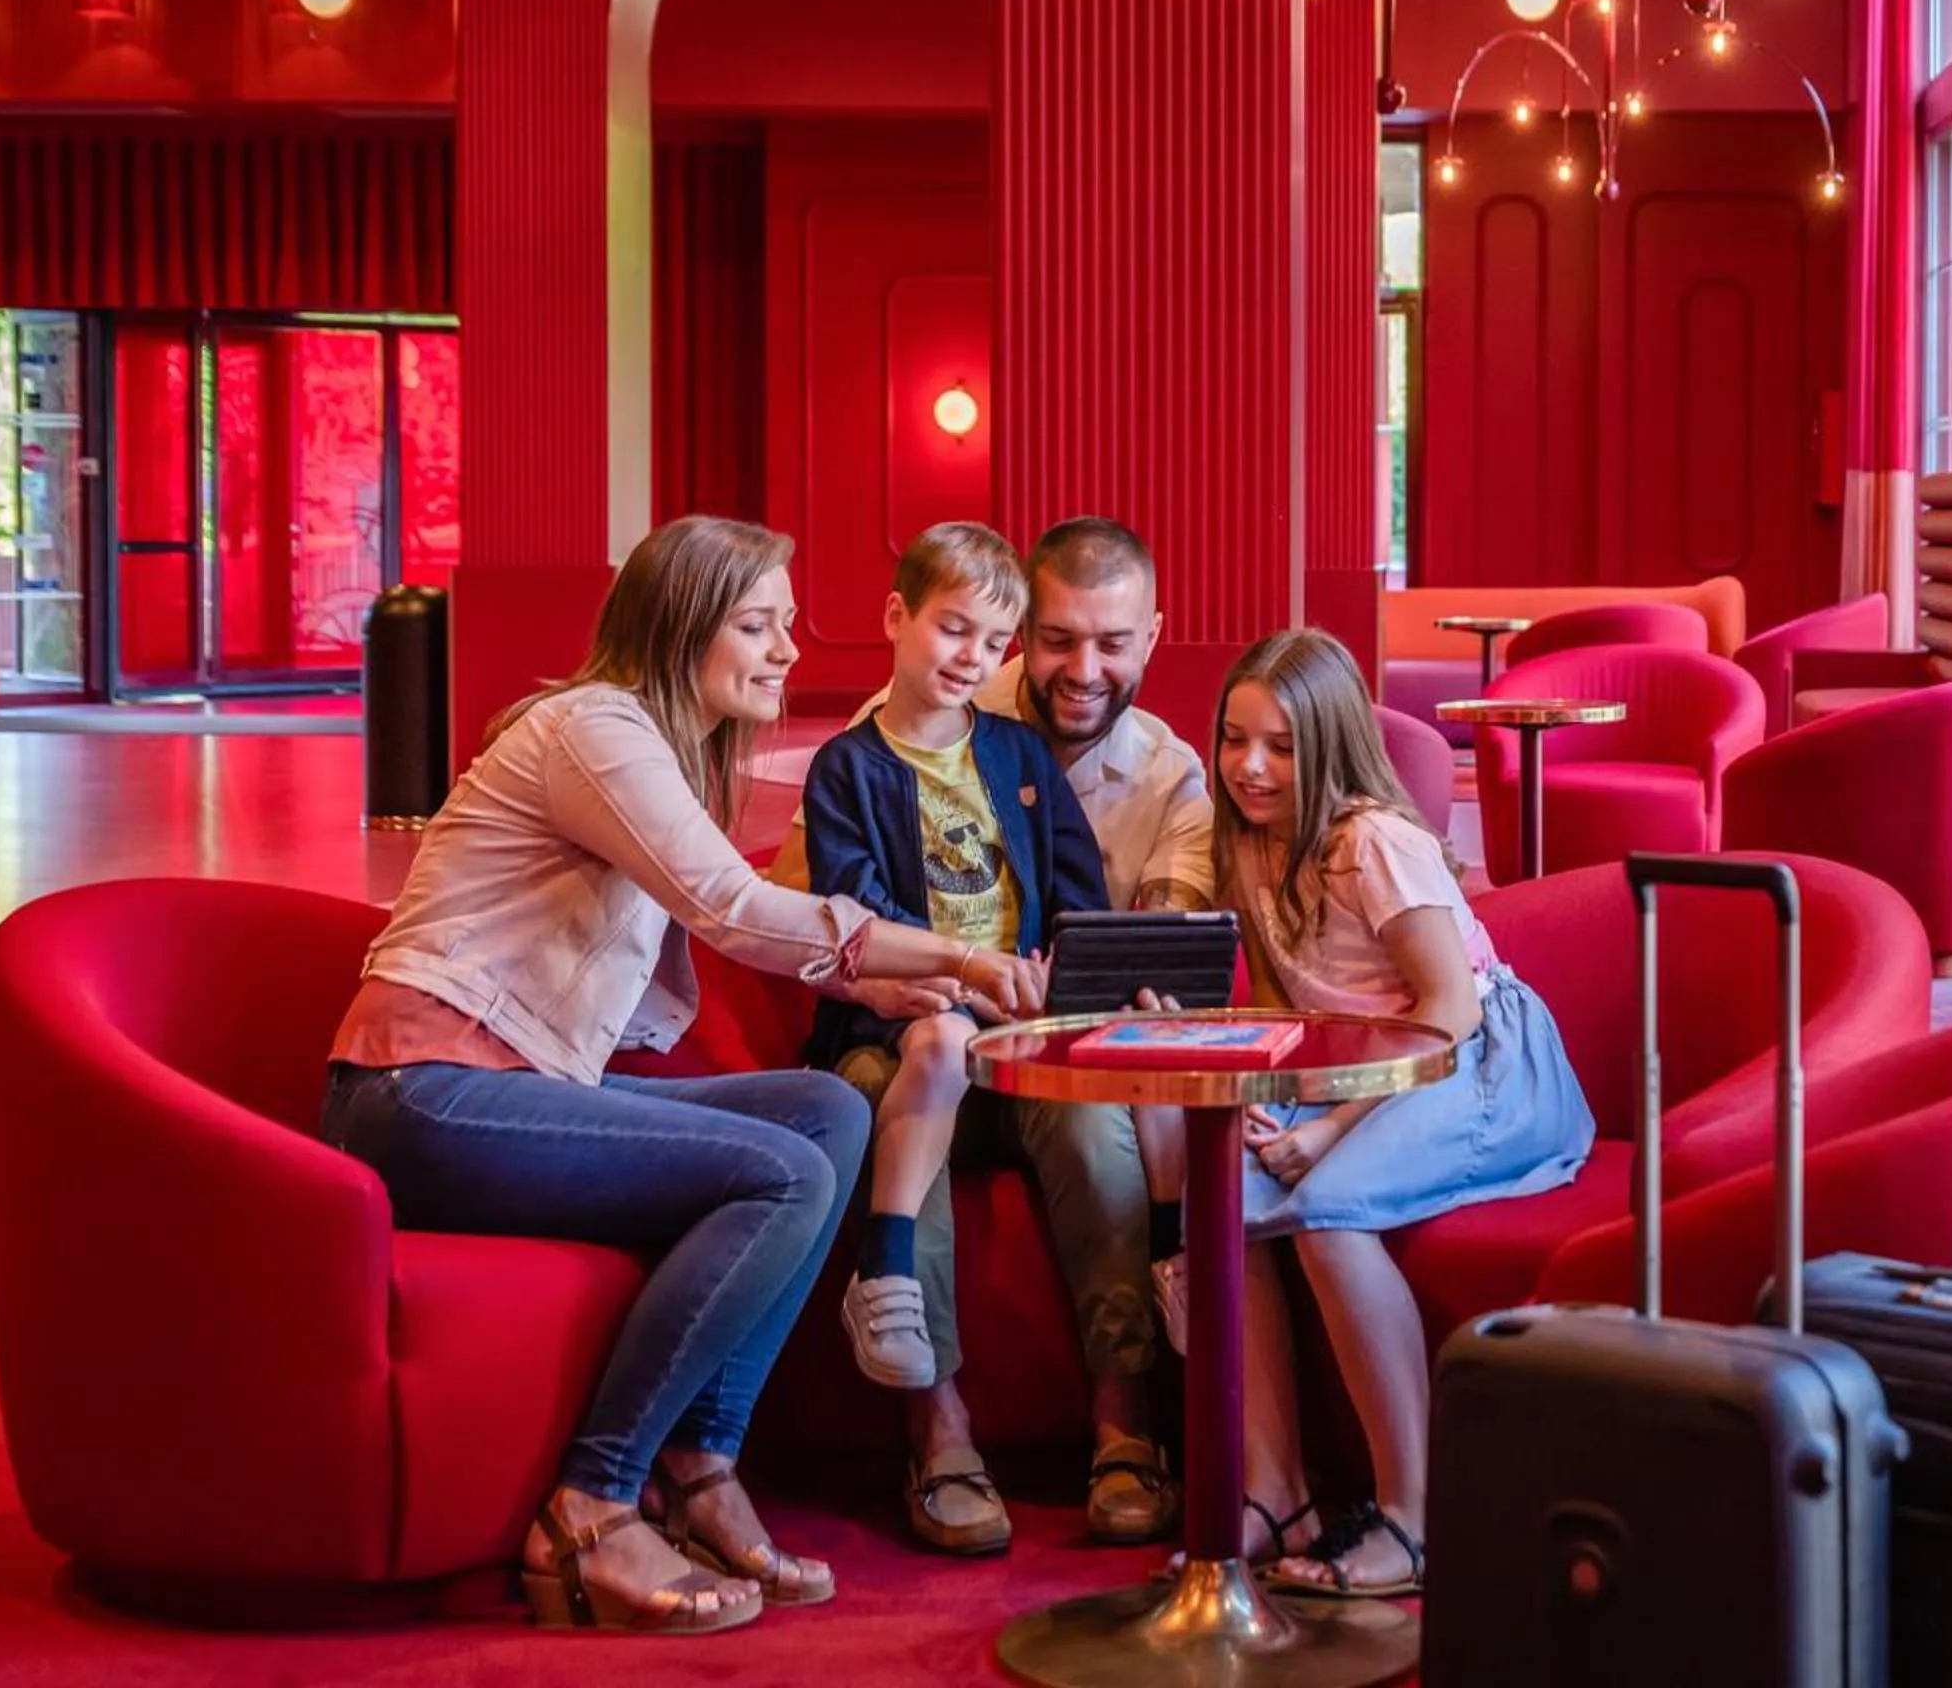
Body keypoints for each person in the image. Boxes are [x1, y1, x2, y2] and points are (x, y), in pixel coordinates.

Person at [321, 515, 1030, 1637]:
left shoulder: (662, 749)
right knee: (785, 1174)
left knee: (829, 1107)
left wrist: (883, 985)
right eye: (757, 624)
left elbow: (672, 972)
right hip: (424, 1095)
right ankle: (595, 1498)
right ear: (679, 626)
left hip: (524, 1081)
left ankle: (702, 1463)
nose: (789, 650)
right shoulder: (596, 728)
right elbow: (732, 907)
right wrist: (953, 952)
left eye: (786, 624)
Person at [1205, 628, 1596, 1599]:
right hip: (1366, 1067)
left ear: (1330, 745)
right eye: (1236, 737)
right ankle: (1276, 1488)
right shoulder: (1251, 837)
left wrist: (1330, 1127)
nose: (1251, 766)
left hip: (1480, 1062)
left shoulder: (1368, 838)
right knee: (1227, 1205)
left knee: (1329, 1209)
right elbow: (1302, 1003)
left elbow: (1448, 1009)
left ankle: (1415, 1518)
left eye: (1282, 746)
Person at [796, 522, 1118, 1556]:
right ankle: (939, 1429)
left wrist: (1046, 982)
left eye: (995, 639)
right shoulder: (846, 765)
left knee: (1094, 1129)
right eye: (953, 627)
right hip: (894, 1038)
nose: (972, 654)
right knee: (910, 1102)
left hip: (1018, 1036)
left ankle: (1127, 1416)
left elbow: (1080, 904)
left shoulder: (1020, 753)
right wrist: (955, 983)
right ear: (896, 617)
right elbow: (856, 916)